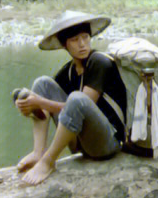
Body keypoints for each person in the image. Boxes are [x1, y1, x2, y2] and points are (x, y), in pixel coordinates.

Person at [13, 11, 128, 185]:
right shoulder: (68, 71)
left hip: (108, 144)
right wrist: (30, 106)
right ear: (65, 45)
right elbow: (45, 105)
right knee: (41, 84)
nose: (82, 44)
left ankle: (48, 161)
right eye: (74, 40)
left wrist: (40, 102)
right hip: (81, 145)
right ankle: (38, 153)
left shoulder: (99, 62)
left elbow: (82, 103)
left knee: (76, 99)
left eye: (85, 37)